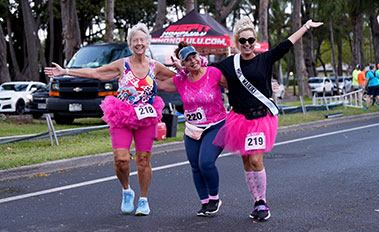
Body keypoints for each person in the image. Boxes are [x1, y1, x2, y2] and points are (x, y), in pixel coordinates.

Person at [44, 23, 175, 216]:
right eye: (135, 40)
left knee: (143, 160)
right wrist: (66, 72)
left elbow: (179, 79)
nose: (139, 43)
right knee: (121, 160)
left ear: (147, 42)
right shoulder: (123, 64)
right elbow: (97, 72)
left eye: (142, 40)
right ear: (130, 44)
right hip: (122, 115)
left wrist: (191, 71)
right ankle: (126, 191)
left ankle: (144, 200)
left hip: (145, 116)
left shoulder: (155, 66)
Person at [212, 17, 323, 221]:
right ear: (237, 42)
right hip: (238, 119)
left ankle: (262, 201)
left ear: (255, 41)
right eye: (243, 41)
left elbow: (287, 44)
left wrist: (306, 27)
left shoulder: (265, 59)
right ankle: (256, 201)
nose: (247, 44)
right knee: (246, 160)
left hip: (261, 118)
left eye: (251, 40)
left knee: (255, 159)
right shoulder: (228, 64)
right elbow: (207, 74)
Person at [157, 42, 228, 216]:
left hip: (216, 125)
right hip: (192, 129)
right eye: (188, 60)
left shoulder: (213, 73)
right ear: (184, 65)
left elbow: (235, 84)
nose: (193, 61)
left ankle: (214, 198)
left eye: (194, 56)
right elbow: (160, 85)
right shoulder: (181, 80)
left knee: (206, 162)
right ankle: (204, 202)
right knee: (195, 165)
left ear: (200, 56)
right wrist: (136, 76)